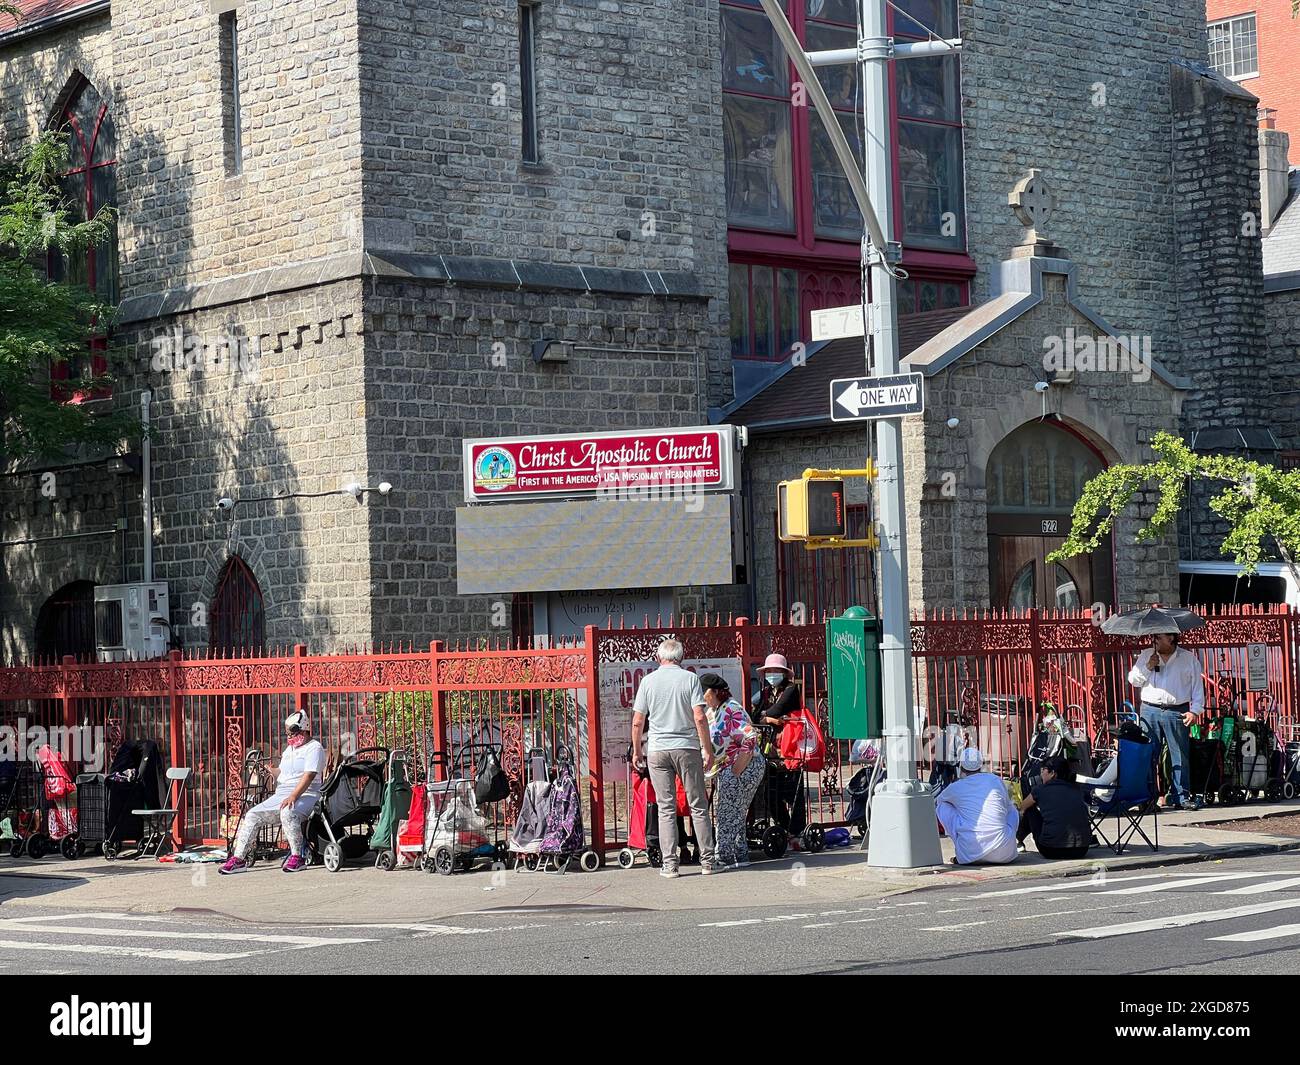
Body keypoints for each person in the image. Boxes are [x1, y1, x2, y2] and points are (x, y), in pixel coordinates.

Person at [631, 639, 717, 878]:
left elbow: (638, 721)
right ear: (681, 658)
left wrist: (637, 751)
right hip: (686, 747)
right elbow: (699, 717)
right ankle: (708, 862)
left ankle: (670, 865)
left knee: (666, 808)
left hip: (658, 749)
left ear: (659, 658)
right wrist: (707, 749)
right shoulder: (690, 679)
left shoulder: (648, 681)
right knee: (698, 805)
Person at [219, 710, 325, 874]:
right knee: (252, 815)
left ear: (303, 730)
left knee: (288, 812)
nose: (290, 737)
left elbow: (309, 775)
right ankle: (238, 859)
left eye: (292, 733)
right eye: (287, 734)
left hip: (307, 794)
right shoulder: (289, 750)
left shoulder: (314, 748)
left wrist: (294, 796)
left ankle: (297, 857)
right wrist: (270, 770)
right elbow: (282, 774)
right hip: (282, 794)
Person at [1127, 630, 1205, 811]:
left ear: (1171, 638)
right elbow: (1133, 680)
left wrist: (1194, 711)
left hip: (1176, 710)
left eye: (1158, 637)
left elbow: (1197, 689)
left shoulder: (1188, 659)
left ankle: (1181, 796)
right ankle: (1148, 798)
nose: (1154, 640)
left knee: (1179, 755)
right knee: (1148, 754)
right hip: (1150, 709)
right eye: (1153, 637)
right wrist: (1148, 666)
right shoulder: (1147, 655)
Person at [698, 672, 763, 869]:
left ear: (715, 692)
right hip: (730, 767)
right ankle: (740, 855)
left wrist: (735, 770)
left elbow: (750, 737)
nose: (702, 696)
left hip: (744, 767)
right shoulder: (713, 711)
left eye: (704, 692)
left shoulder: (731, 709)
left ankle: (724, 856)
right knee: (735, 811)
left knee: (727, 812)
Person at [749, 653, 807, 842]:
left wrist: (768, 716)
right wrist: (770, 719)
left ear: (784, 672)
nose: (772, 674)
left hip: (790, 745)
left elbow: (776, 709)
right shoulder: (766, 692)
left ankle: (797, 830)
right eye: (769, 671)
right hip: (771, 747)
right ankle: (783, 826)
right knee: (770, 792)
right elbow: (755, 716)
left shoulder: (791, 690)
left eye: (776, 670)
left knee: (794, 790)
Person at [934, 747, 1019, 865]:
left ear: (961, 767)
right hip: (1005, 853)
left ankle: (961, 846)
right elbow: (1006, 806)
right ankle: (1013, 840)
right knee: (1011, 808)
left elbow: (939, 800)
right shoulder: (994, 780)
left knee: (942, 806)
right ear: (981, 765)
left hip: (969, 855)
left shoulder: (956, 787)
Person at [1016, 755, 1091, 859]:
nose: (1041, 774)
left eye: (1043, 770)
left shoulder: (1040, 790)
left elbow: (1022, 807)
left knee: (1030, 810)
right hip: (1081, 850)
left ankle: (1018, 840)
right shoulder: (1077, 789)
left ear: (1052, 773)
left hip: (1051, 850)